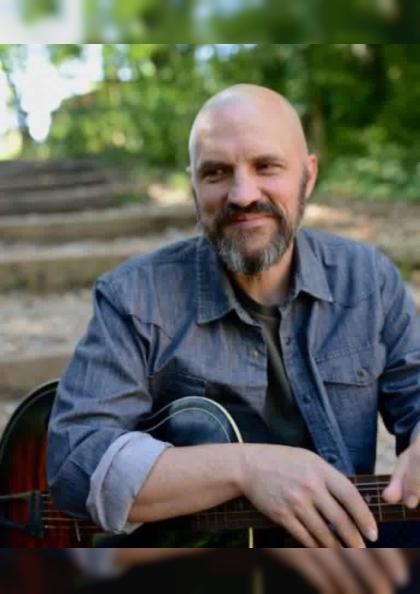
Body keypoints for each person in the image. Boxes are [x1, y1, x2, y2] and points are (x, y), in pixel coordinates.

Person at [47, 83, 420, 548]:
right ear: (194, 184)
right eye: (216, 173)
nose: (242, 195)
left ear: (308, 176)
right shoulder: (134, 297)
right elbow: (76, 462)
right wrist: (247, 468)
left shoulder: (368, 279)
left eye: (267, 166)